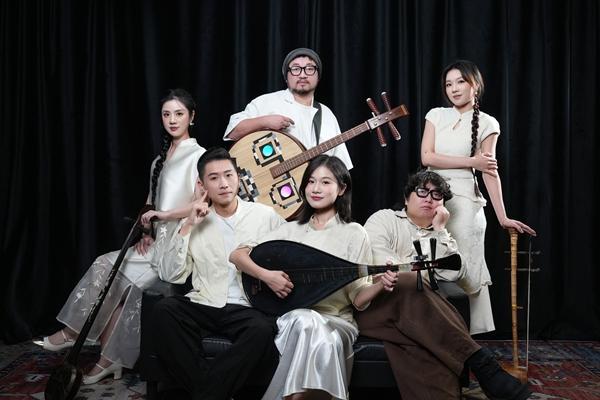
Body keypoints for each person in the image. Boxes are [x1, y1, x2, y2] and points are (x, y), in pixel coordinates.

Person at [42, 88, 206, 384]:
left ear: (192, 117)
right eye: (166, 114)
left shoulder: (199, 156)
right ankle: (110, 360)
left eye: (179, 114)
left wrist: (163, 216)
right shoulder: (159, 160)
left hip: (178, 245)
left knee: (106, 266)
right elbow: (150, 200)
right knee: (124, 290)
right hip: (156, 242)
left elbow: (199, 205)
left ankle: (74, 332)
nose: (172, 120)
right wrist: (147, 231)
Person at [357, 170, 531, 400]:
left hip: (415, 320)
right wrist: (422, 272)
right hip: (375, 307)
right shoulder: (384, 219)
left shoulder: (441, 235)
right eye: (422, 191)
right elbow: (384, 269)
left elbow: (462, 277)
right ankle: (483, 365)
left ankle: (476, 375)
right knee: (408, 282)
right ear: (407, 198)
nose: (429, 198)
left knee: (429, 351)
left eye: (437, 195)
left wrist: (439, 231)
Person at [230, 155, 387, 400]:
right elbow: (237, 255)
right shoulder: (289, 230)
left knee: (317, 330)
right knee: (306, 320)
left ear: (342, 189)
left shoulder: (355, 233)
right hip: (293, 320)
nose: (316, 188)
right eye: (311, 181)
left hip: (337, 322)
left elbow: (357, 300)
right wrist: (267, 276)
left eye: (325, 182)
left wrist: (381, 284)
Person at [150, 147, 285, 400]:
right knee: (164, 310)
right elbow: (171, 275)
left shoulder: (264, 216)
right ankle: (213, 392)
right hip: (205, 301)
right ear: (202, 185)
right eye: (214, 178)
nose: (224, 184)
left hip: (248, 306)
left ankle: (206, 394)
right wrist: (188, 225)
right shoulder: (194, 219)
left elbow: (288, 255)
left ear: (238, 177)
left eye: (229, 175)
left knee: (261, 330)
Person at [420, 59, 536, 334]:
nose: (454, 89)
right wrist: (471, 161)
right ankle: (436, 331)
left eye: (461, 82)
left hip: (466, 201)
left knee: (468, 265)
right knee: (430, 261)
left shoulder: (487, 123)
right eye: (449, 84)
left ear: (475, 85)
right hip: (431, 196)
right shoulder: (436, 115)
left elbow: (489, 172)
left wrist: (503, 217)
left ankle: (474, 337)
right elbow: (427, 157)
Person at [224, 47, 353, 169]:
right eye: (296, 69)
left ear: (318, 76)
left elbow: (340, 167)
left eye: (309, 69)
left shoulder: (327, 115)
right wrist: (265, 121)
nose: (302, 75)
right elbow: (233, 132)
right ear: (286, 77)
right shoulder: (266, 102)